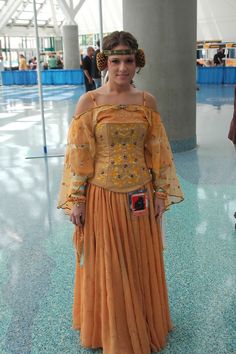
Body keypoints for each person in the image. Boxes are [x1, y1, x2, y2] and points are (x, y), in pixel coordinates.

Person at [58, 31, 184, 354]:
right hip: (103, 198)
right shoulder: (90, 102)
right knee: (110, 265)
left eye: (129, 61)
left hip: (139, 196)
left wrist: (159, 192)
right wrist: (77, 198)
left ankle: (141, 321)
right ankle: (112, 331)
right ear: (105, 62)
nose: (123, 68)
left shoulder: (147, 102)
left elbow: (158, 150)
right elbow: (79, 153)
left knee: (139, 261)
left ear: (137, 62)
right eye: (116, 61)